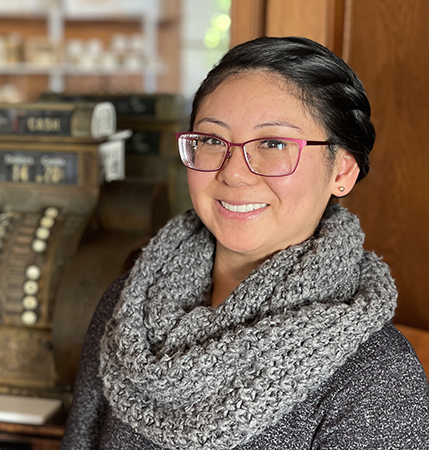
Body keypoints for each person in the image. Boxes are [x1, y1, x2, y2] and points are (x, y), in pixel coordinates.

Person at [60, 36, 429, 449]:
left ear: (342, 170)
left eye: (273, 144)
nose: (234, 173)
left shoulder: (377, 378)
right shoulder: (127, 309)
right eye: (213, 141)